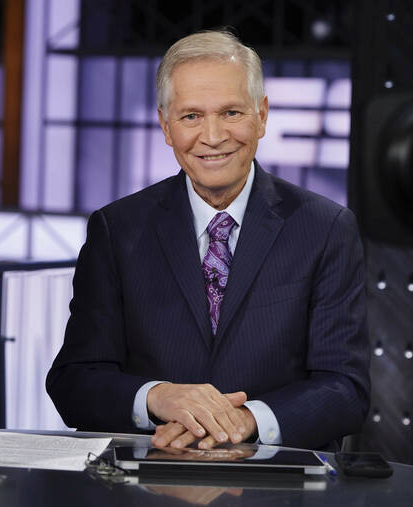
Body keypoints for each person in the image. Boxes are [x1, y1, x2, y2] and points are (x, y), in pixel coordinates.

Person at [46, 30, 369, 451]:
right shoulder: (117, 229)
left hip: (275, 484)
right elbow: (74, 381)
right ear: (166, 126)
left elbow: (345, 388)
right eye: (191, 116)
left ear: (262, 115)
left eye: (232, 113)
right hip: (150, 478)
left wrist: (245, 420)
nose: (213, 136)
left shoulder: (325, 227)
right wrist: (159, 397)